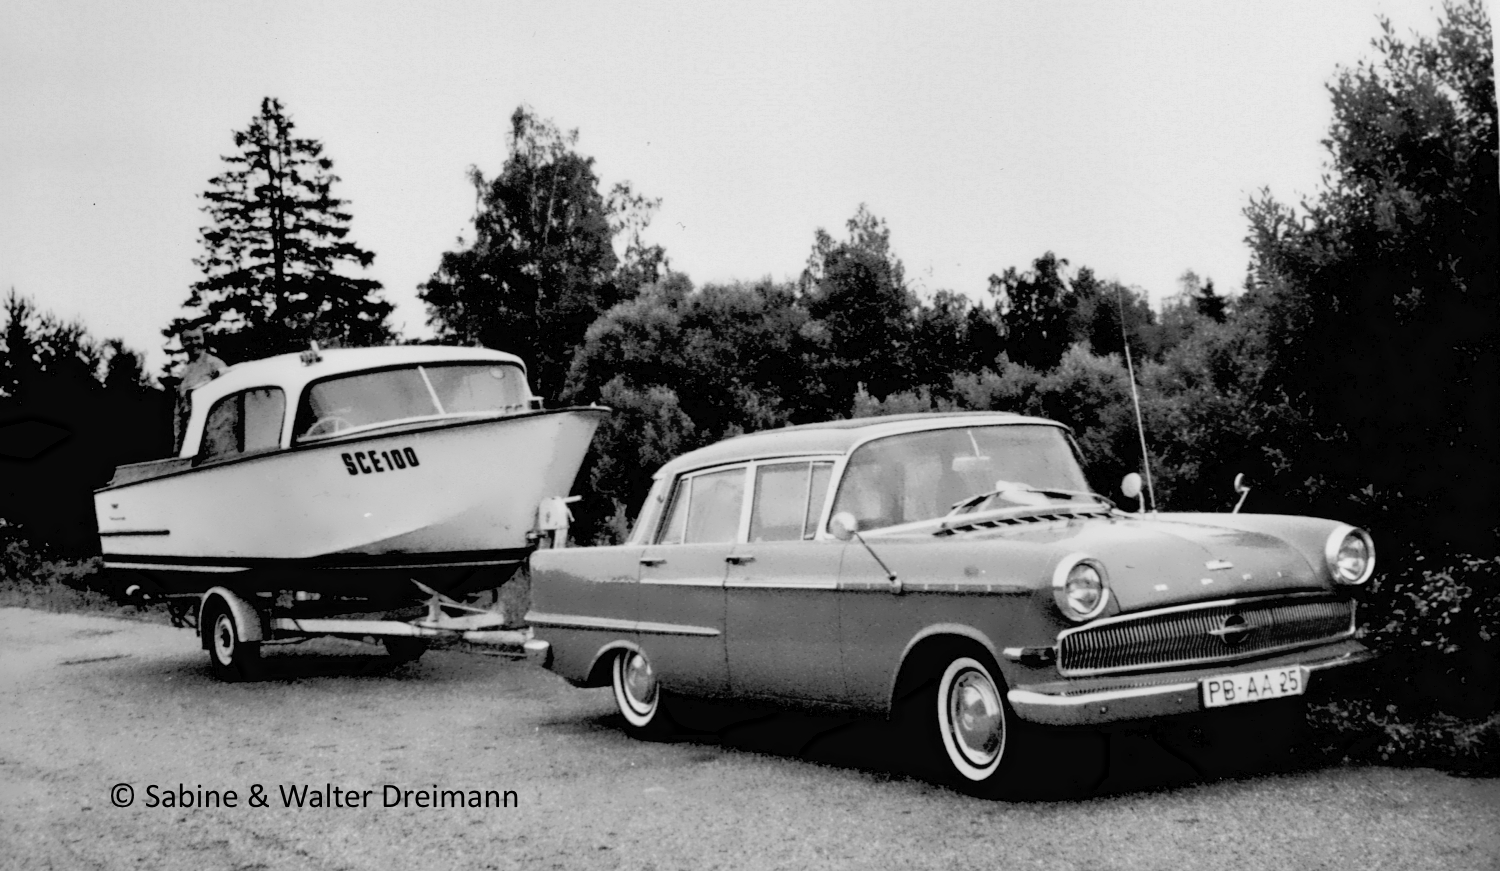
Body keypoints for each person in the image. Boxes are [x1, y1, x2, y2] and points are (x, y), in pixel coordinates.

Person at [172, 327, 228, 452]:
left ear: (203, 339)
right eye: (188, 339)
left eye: (197, 338)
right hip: (192, 437)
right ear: (182, 342)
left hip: (214, 435)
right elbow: (179, 413)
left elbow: (227, 404)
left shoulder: (215, 365)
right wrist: (177, 446)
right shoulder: (184, 373)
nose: (194, 343)